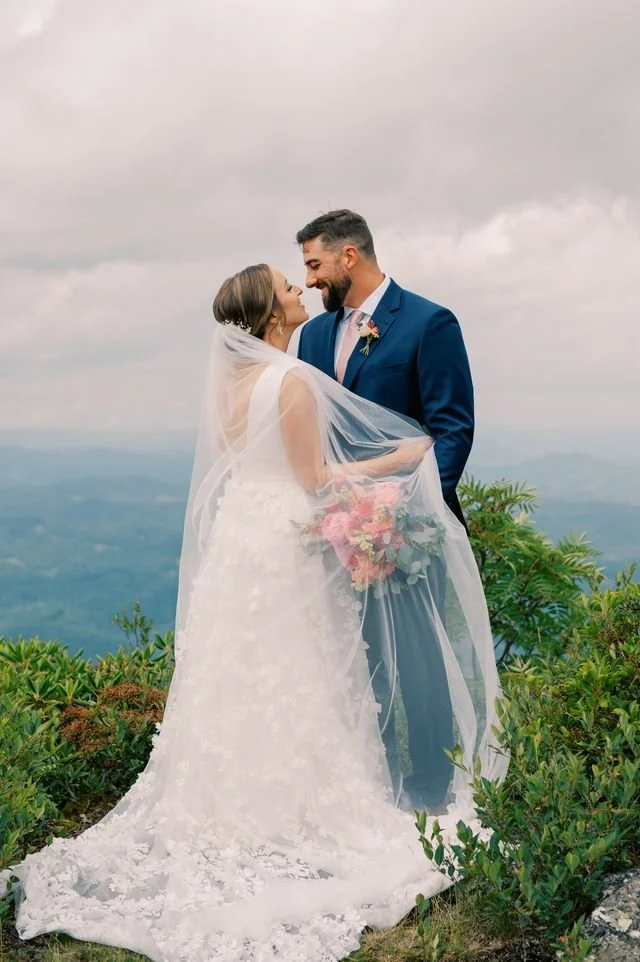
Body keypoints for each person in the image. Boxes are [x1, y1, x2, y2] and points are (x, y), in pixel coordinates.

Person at [3, 264, 506, 962]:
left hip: (244, 539)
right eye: (287, 287)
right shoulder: (290, 379)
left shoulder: (231, 382)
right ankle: (301, 810)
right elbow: (314, 478)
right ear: (271, 312)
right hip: (287, 544)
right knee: (302, 672)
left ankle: (239, 805)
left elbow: (247, 467)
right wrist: (400, 456)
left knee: (245, 673)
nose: (300, 292)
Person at [297, 210, 473, 807]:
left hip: (408, 529)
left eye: (315, 265)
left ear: (350, 256)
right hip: (337, 527)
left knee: (420, 662)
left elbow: (451, 428)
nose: (311, 280)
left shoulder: (429, 322)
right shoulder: (314, 336)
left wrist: (407, 513)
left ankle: (429, 789)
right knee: (357, 657)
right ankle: (373, 785)